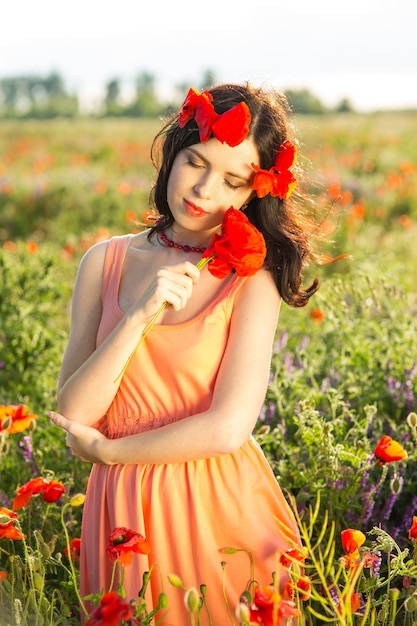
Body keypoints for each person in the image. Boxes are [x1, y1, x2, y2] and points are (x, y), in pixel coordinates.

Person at [49, 83, 322, 625]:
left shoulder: (252, 281)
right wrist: (137, 318)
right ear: (173, 153)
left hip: (212, 499)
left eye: (232, 179)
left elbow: (227, 429)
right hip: (121, 512)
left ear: (254, 192)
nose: (203, 188)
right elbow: (75, 414)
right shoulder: (103, 262)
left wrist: (109, 453)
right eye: (194, 161)